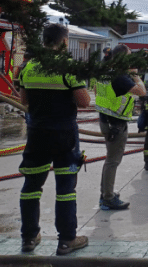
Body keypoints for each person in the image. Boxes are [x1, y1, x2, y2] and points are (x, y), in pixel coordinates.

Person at [18, 24, 91, 255]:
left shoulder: (29, 66)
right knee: (66, 188)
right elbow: (84, 102)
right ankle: (67, 240)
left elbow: (24, 100)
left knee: (31, 186)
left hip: (37, 133)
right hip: (64, 136)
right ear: (64, 41)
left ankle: (29, 238)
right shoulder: (68, 66)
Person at [95, 44, 146, 210]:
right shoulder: (121, 77)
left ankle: (106, 192)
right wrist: (136, 76)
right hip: (116, 124)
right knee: (112, 161)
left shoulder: (105, 72)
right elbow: (141, 91)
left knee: (110, 159)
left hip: (106, 120)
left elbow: (96, 90)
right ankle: (108, 198)